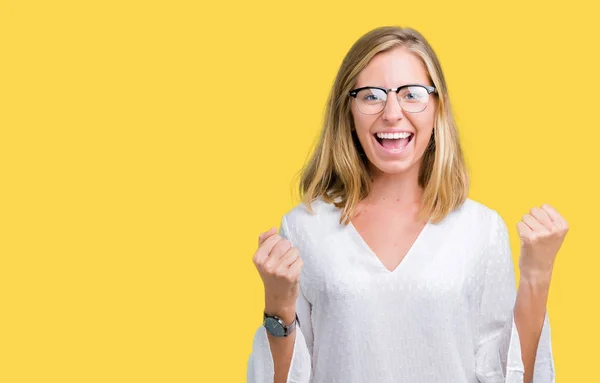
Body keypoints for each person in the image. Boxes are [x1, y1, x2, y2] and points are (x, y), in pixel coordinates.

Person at [247, 26, 568, 383]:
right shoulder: (305, 228)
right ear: (348, 111)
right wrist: (278, 305)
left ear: (437, 106)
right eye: (371, 96)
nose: (392, 113)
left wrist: (537, 277)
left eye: (412, 94)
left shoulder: (481, 229)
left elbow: (511, 377)